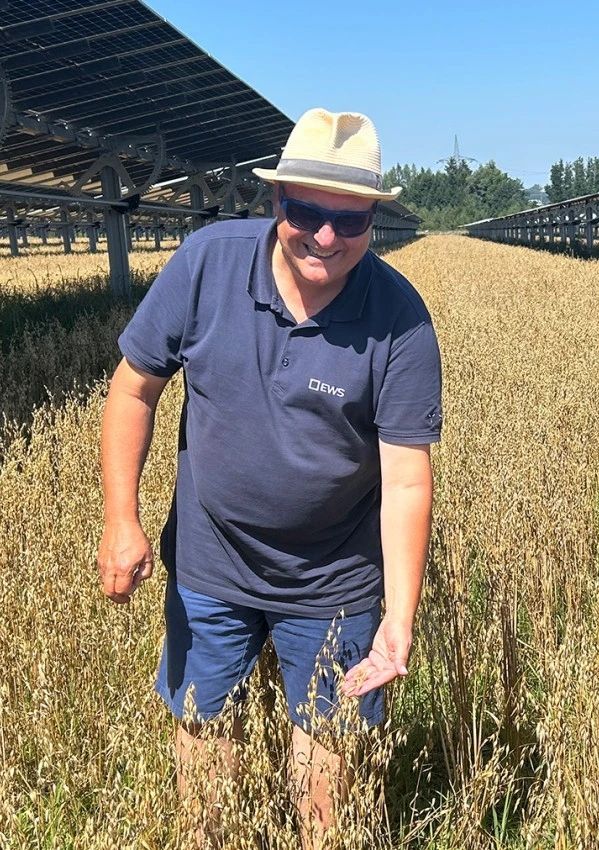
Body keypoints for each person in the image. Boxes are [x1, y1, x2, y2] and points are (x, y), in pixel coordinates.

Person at [97, 109, 442, 847]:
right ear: (277, 200)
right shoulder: (206, 264)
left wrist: (399, 617)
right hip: (210, 563)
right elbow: (133, 388)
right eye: (308, 213)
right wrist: (121, 520)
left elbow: (407, 481)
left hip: (334, 580)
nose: (326, 237)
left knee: (329, 776)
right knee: (203, 743)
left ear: (373, 221)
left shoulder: (401, 320)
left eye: (350, 221)